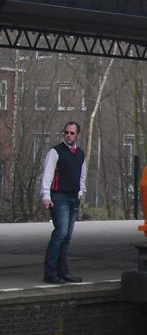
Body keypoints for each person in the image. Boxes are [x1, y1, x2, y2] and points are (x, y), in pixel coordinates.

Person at [40, 121, 87, 284]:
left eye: (72, 133)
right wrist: (46, 195)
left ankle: (63, 271)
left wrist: (81, 191)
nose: (68, 135)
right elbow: (47, 174)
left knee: (67, 236)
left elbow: (82, 175)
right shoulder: (55, 152)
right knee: (60, 233)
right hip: (59, 197)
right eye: (66, 132)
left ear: (77, 136)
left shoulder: (80, 154)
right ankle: (50, 272)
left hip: (73, 197)